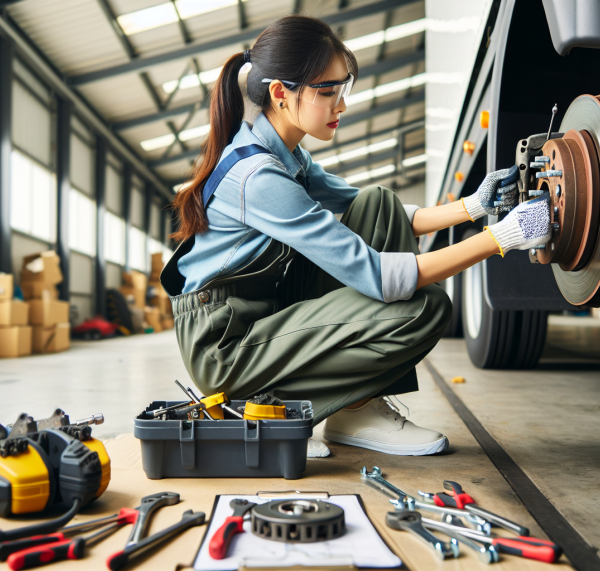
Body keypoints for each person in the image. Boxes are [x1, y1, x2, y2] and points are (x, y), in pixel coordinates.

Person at [160, 15, 551, 458]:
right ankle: (268, 409)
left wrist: (473, 207)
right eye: (328, 92)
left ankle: (355, 410)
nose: (341, 105)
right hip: (226, 345)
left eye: (343, 89)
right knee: (422, 310)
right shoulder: (257, 177)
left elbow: (374, 209)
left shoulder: (285, 152)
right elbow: (380, 277)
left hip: (260, 313)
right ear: (280, 94)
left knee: (378, 202)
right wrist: (502, 237)